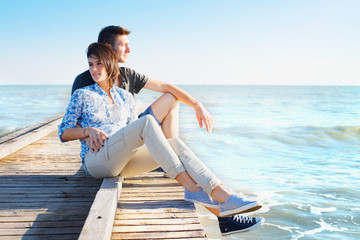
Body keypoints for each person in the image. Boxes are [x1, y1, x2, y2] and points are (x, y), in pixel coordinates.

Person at [60, 42, 264, 235]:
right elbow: (63, 132)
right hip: (96, 161)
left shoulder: (126, 97)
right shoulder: (82, 94)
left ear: (111, 64)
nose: (94, 70)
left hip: (123, 161)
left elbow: (133, 132)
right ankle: (192, 188)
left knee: (174, 143)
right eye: (90, 64)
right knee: (147, 122)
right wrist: (88, 131)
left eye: (99, 64)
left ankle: (223, 198)